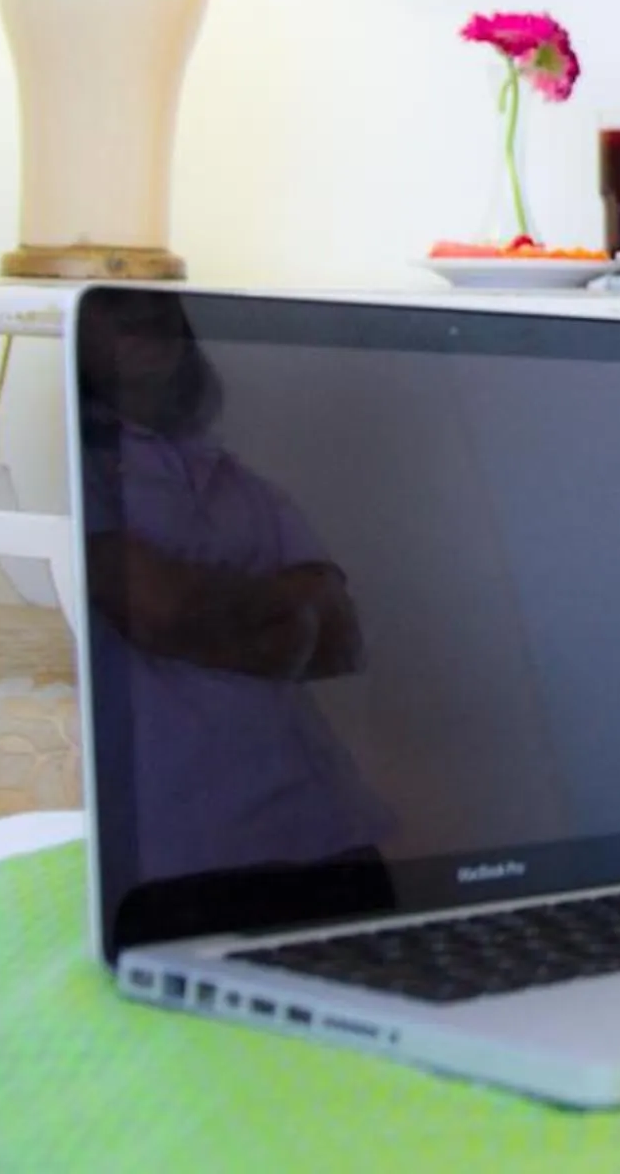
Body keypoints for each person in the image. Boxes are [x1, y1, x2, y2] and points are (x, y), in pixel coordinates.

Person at [79, 293, 392, 888]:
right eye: (113, 300)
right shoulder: (81, 473)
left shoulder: (240, 481)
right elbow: (157, 611)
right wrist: (279, 605)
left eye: (157, 302)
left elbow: (338, 640)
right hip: (188, 852)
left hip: (328, 826)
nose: (143, 310)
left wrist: (196, 606)